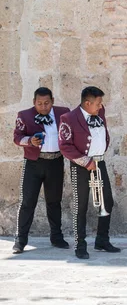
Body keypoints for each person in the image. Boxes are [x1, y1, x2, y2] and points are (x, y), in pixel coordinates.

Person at [58, 86, 121, 259]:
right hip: (81, 165)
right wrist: (86, 162)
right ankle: (80, 245)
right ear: (87, 103)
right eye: (98, 103)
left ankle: (102, 240)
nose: (101, 107)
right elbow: (65, 146)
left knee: (106, 201)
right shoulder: (68, 118)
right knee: (81, 205)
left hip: (99, 162)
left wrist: (97, 160)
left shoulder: (100, 113)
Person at [12, 87, 70, 254]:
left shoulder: (63, 113)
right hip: (33, 163)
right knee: (27, 202)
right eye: (39, 103)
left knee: (54, 202)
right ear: (34, 102)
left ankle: (56, 237)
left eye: (47, 103)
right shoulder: (24, 115)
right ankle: (20, 240)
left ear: (52, 101)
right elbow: (17, 138)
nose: (43, 107)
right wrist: (30, 141)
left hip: (56, 162)